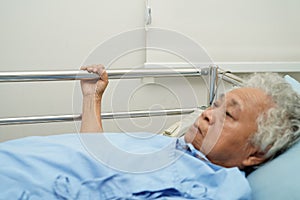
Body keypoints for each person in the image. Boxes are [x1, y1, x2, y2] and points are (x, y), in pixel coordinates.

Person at [0, 64, 299, 199]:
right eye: (215, 105)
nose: (208, 114)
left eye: (229, 114)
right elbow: (95, 154)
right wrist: (93, 97)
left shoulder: (210, 187)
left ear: (255, 153)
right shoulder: (174, 149)